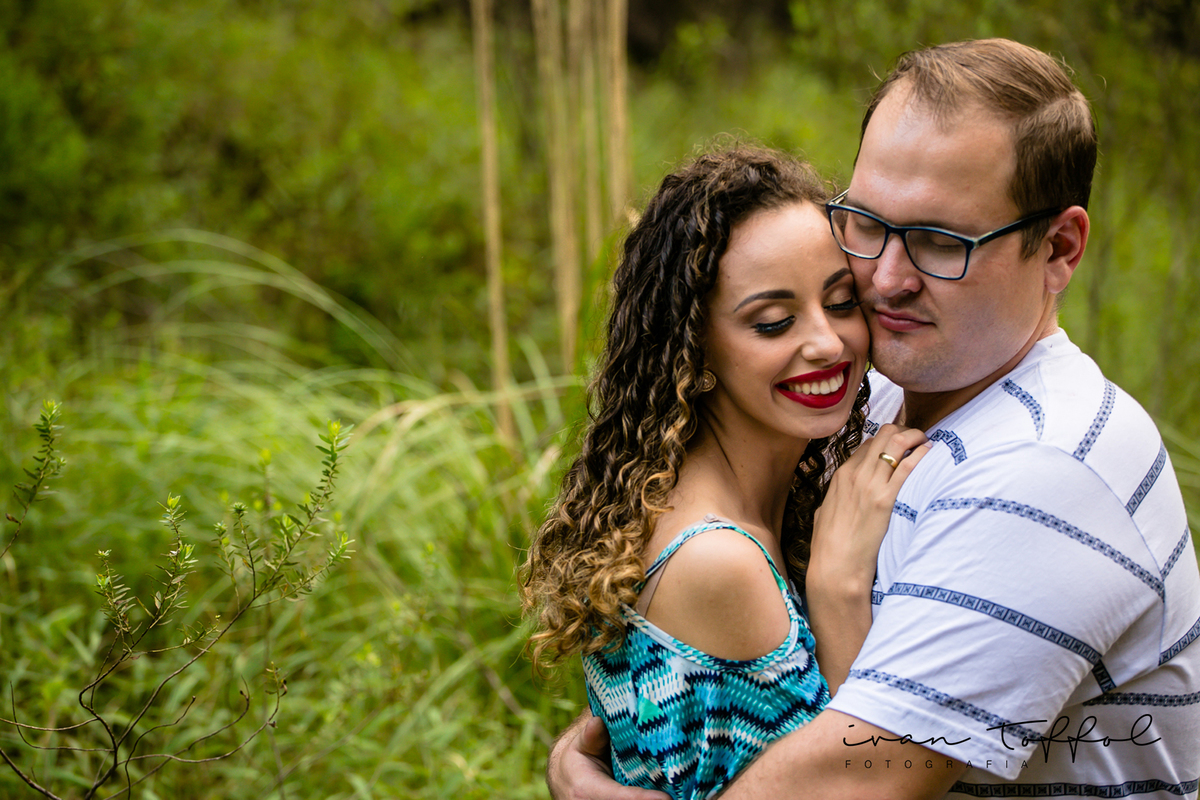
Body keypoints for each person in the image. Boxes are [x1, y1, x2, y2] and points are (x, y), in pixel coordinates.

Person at [548, 39, 1200, 799]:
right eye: (864, 222)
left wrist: (836, 587)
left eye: (939, 243)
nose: (885, 280)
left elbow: (852, 783)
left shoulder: (1043, 468)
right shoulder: (869, 393)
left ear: (1058, 248)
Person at [521, 146, 930, 800]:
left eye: (841, 301)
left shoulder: (703, 493)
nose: (827, 342)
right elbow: (855, 780)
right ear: (695, 352)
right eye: (773, 322)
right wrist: (839, 586)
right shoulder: (720, 563)